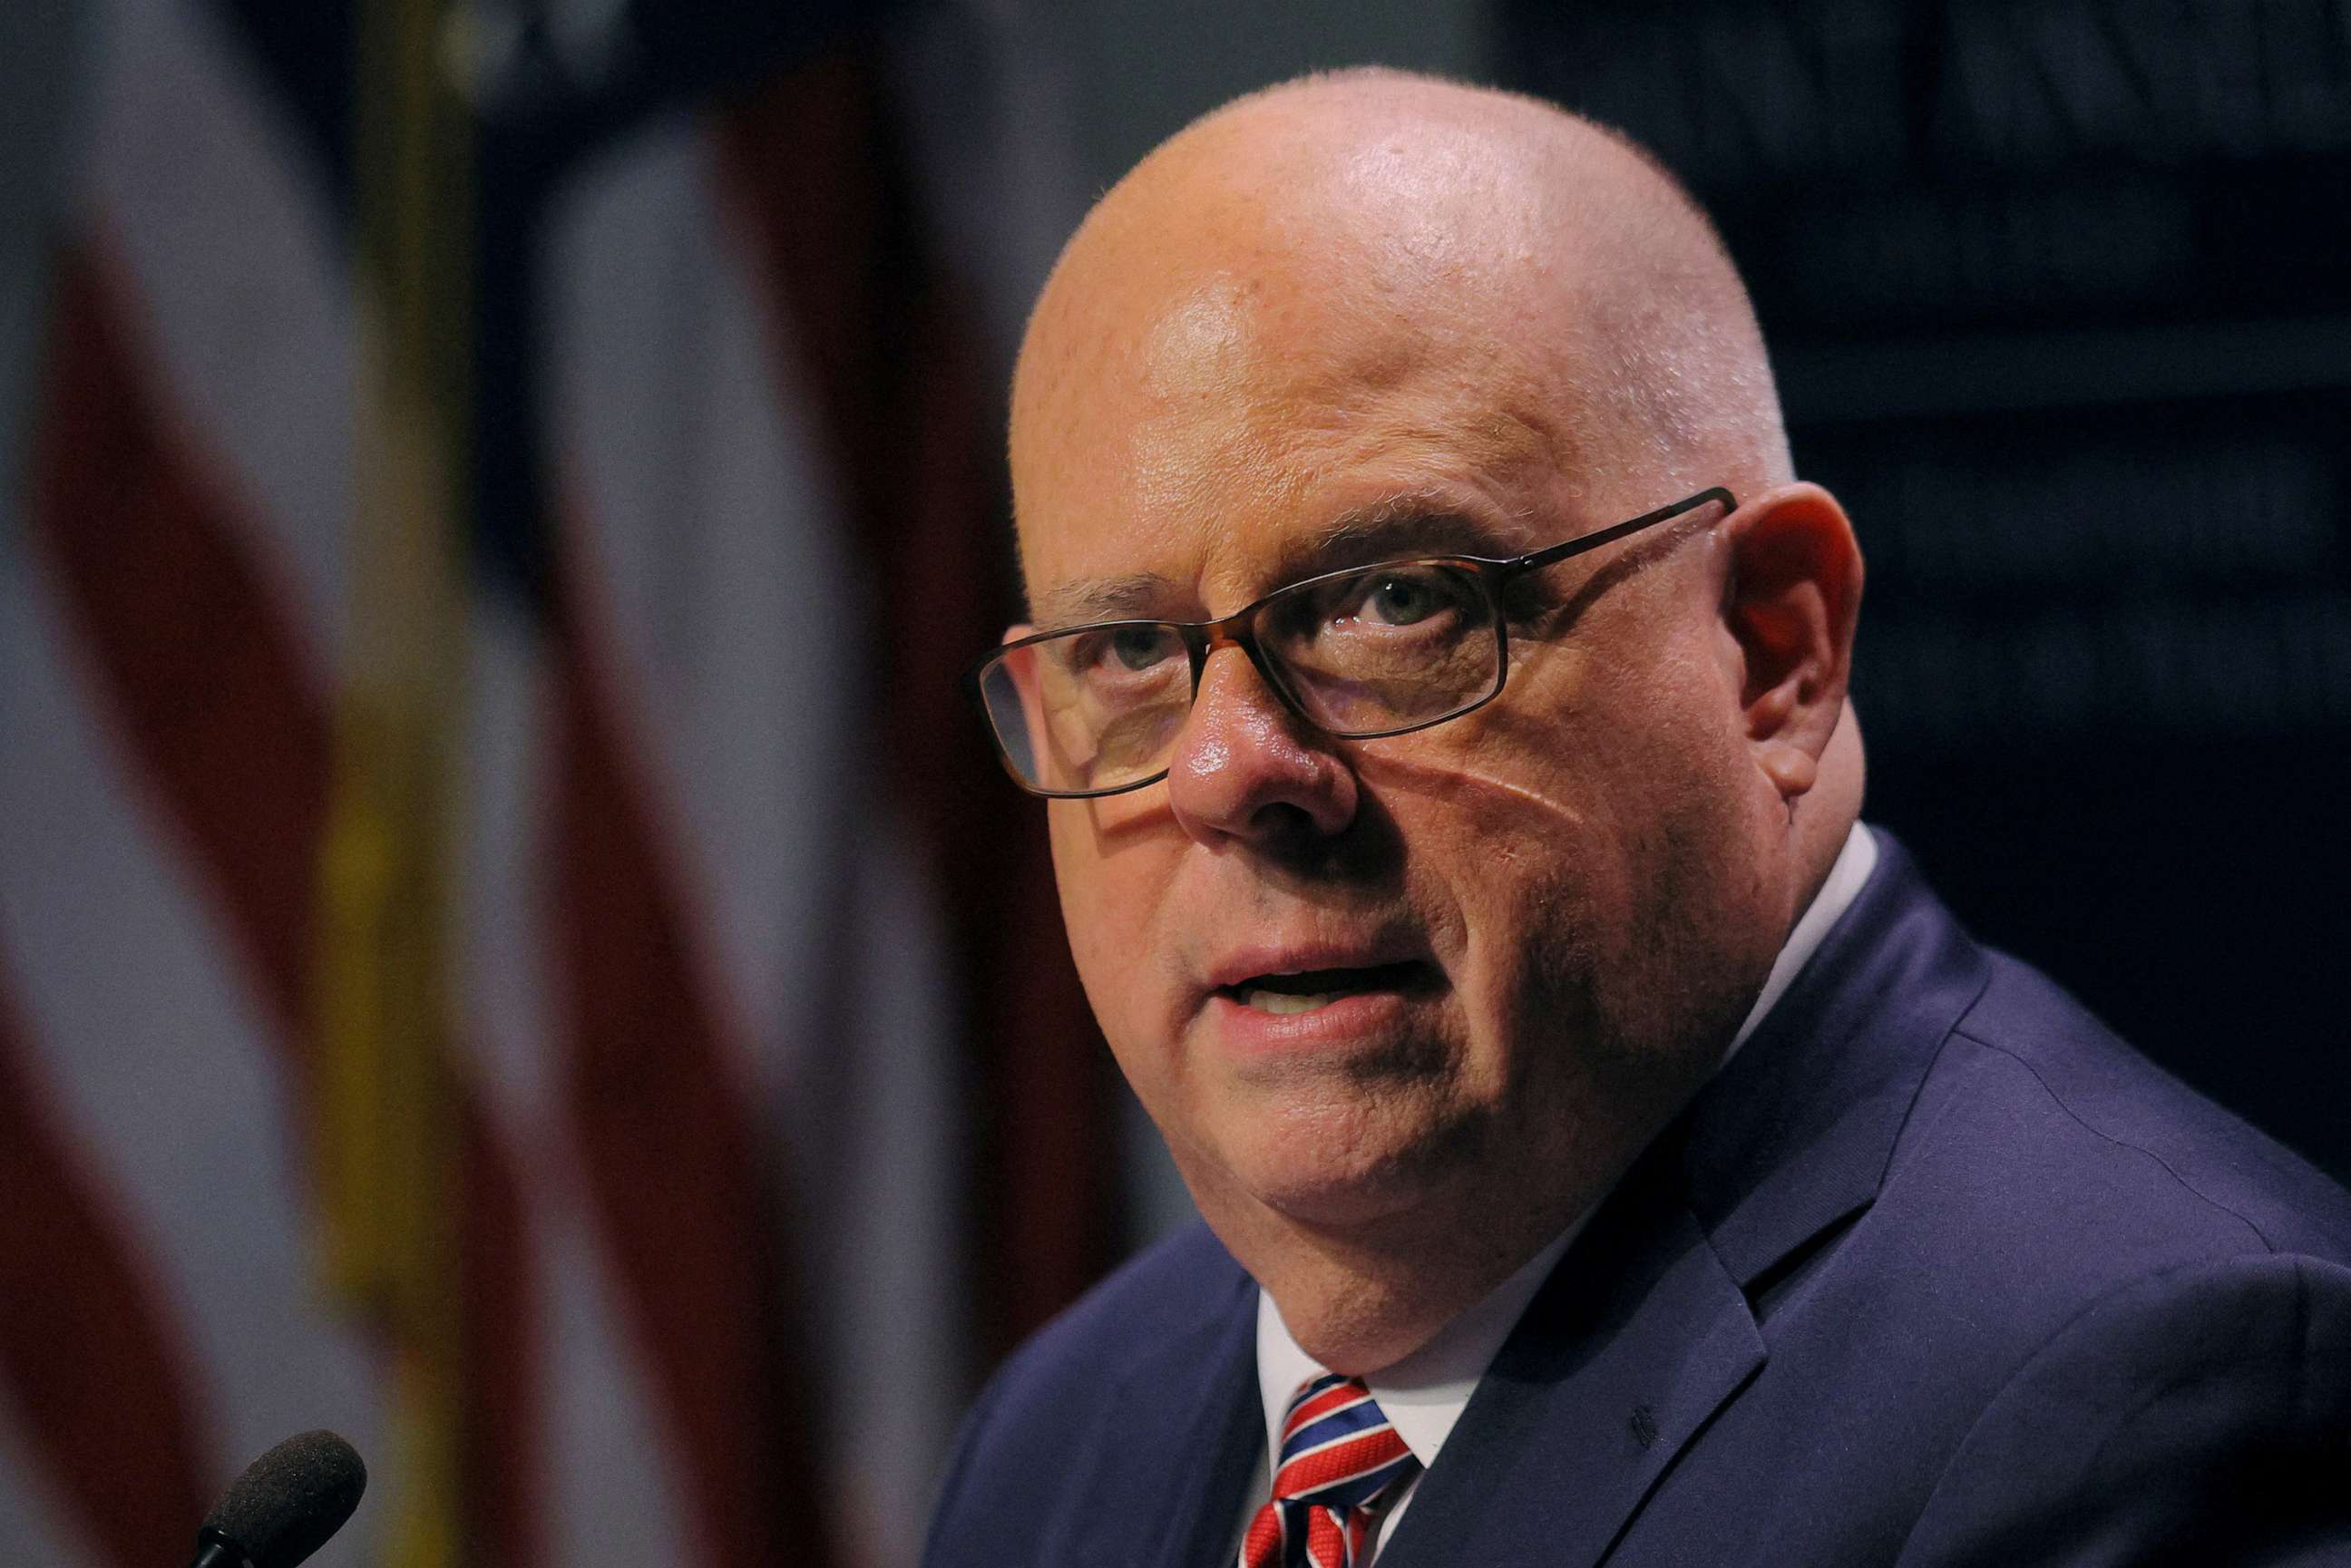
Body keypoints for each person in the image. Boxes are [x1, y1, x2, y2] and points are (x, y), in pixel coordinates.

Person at [928, 68, 2351, 1568]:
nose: (1225, 769)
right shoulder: (1069, 1434)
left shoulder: (2145, 1397)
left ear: (1772, 652)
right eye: (1128, 654)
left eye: (1399, 600)